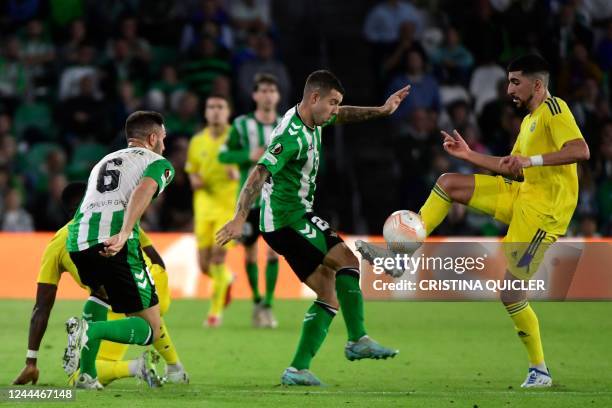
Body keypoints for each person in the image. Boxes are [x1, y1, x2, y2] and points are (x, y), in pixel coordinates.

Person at [357, 54, 590, 388]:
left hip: (545, 214)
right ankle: (400, 257)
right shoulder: (529, 121)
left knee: (510, 292)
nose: (508, 88)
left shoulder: (556, 110)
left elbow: (581, 150)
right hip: (521, 196)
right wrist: (468, 156)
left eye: (515, 82)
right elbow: (512, 165)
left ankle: (539, 370)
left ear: (537, 85)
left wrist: (533, 160)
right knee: (450, 182)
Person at [217, 70, 411, 385]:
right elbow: (257, 174)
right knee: (347, 260)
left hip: (289, 219)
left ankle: (297, 370)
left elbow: (344, 115)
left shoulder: (315, 117)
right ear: (314, 97)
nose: (335, 110)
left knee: (328, 292)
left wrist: (382, 110)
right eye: (332, 103)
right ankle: (357, 339)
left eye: (338, 104)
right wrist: (239, 217)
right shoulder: (290, 135)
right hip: (287, 219)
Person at [12, 182, 188, 388]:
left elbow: (41, 307)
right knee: (134, 316)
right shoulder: (116, 216)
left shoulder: (58, 244)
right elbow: (154, 256)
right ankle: (175, 368)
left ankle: (133, 364)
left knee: (77, 374)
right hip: (153, 281)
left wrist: (31, 360)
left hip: (121, 294)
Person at [63, 110, 175, 389]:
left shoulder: (104, 160)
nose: (164, 144)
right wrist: (125, 233)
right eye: (162, 138)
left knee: (99, 295)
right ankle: (88, 331)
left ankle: (87, 375)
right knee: (150, 328)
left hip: (77, 241)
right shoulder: (159, 163)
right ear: (152, 138)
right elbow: (144, 190)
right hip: (114, 243)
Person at [219, 73, 281, 328]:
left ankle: (268, 304)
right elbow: (223, 155)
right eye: (263, 90)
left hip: (277, 199)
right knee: (252, 253)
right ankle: (256, 301)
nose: (267, 95)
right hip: (250, 201)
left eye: (271, 90)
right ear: (255, 95)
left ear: (277, 96)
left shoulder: (286, 124)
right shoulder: (242, 124)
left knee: (275, 252)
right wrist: (248, 154)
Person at [186, 94, 238, 327]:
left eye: (220, 106)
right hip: (204, 206)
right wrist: (195, 179)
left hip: (228, 208)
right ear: (206, 112)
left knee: (218, 257)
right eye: (211, 106)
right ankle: (226, 279)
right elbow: (192, 169)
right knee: (204, 266)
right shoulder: (197, 141)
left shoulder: (237, 139)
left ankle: (214, 314)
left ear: (227, 112)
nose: (215, 111)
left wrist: (238, 174)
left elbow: (250, 166)